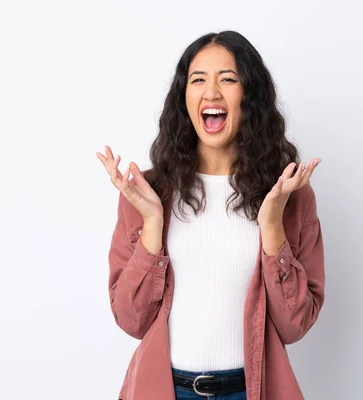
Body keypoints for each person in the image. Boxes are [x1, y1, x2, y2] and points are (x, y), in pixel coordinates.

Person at [95, 30, 325, 400]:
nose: (212, 92)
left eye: (229, 79)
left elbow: (294, 324)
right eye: (198, 79)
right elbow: (131, 320)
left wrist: (271, 227)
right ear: (183, 97)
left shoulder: (288, 196)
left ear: (250, 96)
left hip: (250, 392)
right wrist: (153, 224)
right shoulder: (147, 194)